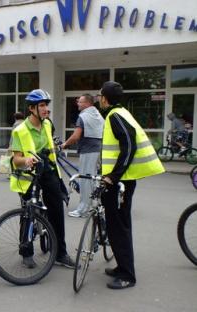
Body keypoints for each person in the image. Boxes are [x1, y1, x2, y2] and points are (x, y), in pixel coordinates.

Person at [98, 81, 164, 289]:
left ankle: (127, 275)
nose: (99, 98)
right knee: (117, 225)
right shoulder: (120, 113)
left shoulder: (115, 116)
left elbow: (129, 146)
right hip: (121, 180)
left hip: (120, 182)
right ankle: (121, 266)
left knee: (119, 227)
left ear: (105, 98)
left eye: (100, 96)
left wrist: (113, 177)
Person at [10, 89, 75, 269]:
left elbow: (50, 145)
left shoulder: (47, 124)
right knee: (28, 212)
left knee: (57, 212)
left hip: (48, 170)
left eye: (47, 105)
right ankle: (26, 252)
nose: (46, 109)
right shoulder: (20, 130)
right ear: (32, 109)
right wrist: (27, 159)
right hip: (29, 175)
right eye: (42, 105)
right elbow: (16, 159)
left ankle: (60, 253)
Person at [61, 94, 104, 217]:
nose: (78, 104)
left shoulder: (83, 116)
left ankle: (83, 209)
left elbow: (75, 136)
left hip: (88, 150)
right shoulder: (97, 114)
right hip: (97, 150)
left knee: (85, 180)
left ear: (87, 103)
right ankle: (93, 205)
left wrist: (64, 145)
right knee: (93, 179)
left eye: (80, 102)